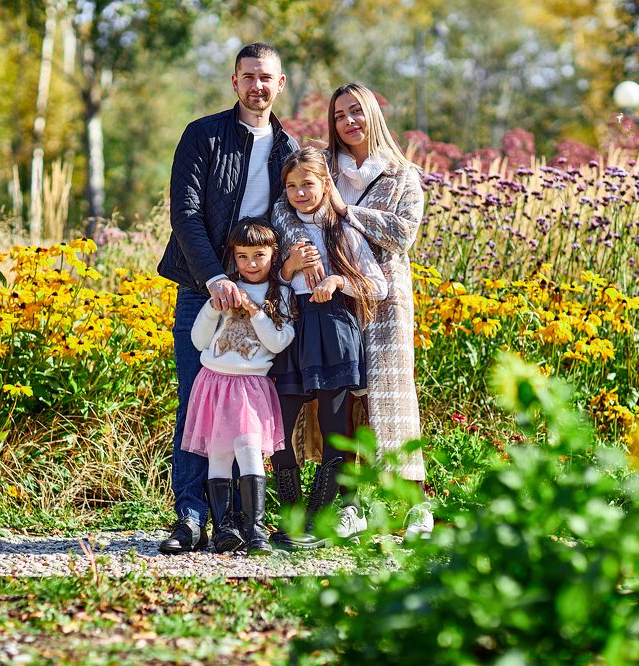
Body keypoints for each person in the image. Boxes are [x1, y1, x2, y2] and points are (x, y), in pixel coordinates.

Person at [156, 43, 299, 554]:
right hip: (203, 289)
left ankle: (237, 522)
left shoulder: (288, 148)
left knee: (248, 411)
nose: (258, 86)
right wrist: (215, 278)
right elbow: (186, 213)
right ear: (234, 82)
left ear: (280, 84)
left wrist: (285, 279)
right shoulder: (203, 135)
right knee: (198, 401)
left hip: (264, 297)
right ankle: (191, 518)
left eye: (266, 77)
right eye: (248, 76)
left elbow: (296, 216)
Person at [274, 83, 433, 541]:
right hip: (327, 305)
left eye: (356, 112)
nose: (349, 122)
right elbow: (287, 207)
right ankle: (349, 505)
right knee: (340, 403)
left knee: (390, 399)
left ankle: (415, 505)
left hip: (383, 300)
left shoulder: (401, 175)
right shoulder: (325, 167)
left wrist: (348, 212)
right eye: (340, 115)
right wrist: (300, 254)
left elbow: (402, 235)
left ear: (373, 115)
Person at [269, 147, 388, 549]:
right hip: (295, 329)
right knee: (279, 429)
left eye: (307, 184)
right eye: (291, 186)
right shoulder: (283, 233)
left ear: (325, 183)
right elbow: (269, 285)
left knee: (335, 427)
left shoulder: (344, 230)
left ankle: (317, 523)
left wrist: (338, 281)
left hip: (335, 328)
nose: (299, 193)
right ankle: (292, 517)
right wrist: (288, 268)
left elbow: (377, 285)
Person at [181, 220, 295, 556]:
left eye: (259, 255)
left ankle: (255, 529)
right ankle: (225, 529)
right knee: (219, 453)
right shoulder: (226, 289)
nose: (251, 263)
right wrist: (211, 307)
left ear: (274, 254)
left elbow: (278, 342)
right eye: (243, 256)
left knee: (248, 448)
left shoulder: (280, 294)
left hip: (250, 385)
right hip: (214, 381)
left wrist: (253, 310)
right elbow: (199, 340)